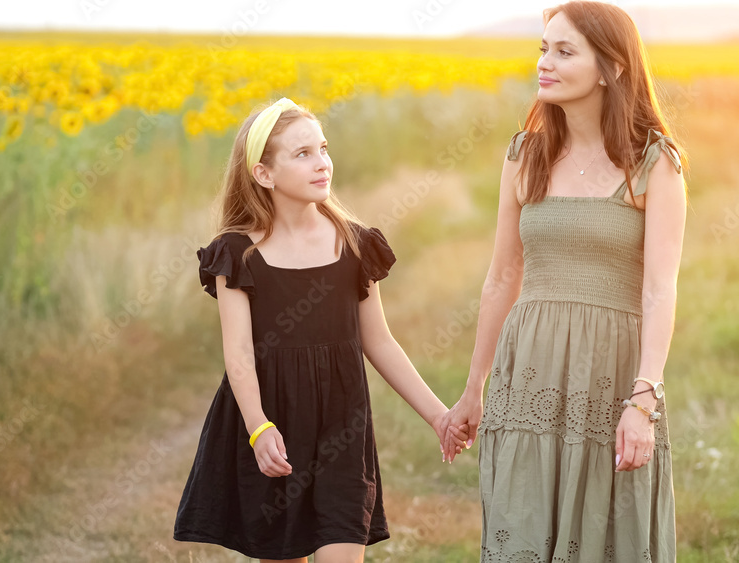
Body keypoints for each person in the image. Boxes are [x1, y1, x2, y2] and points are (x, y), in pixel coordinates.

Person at [438, 2, 686, 561]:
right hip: (529, 372)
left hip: (614, 377)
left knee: (605, 535)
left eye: (564, 51)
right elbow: (502, 276)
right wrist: (474, 389)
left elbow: (659, 289)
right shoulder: (525, 154)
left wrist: (643, 399)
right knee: (522, 528)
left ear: (612, 68)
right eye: (543, 49)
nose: (545, 63)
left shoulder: (654, 164)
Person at [173, 98, 468, 563]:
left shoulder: (355, 243)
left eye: (323, 148)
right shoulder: (237, 254)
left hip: (341, 429)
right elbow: (239, 354)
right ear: (264, 174)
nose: (322, 163)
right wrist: (257, 427)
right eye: (303, 154)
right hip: (273, 428)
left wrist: (438, 416)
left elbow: (379, 341)